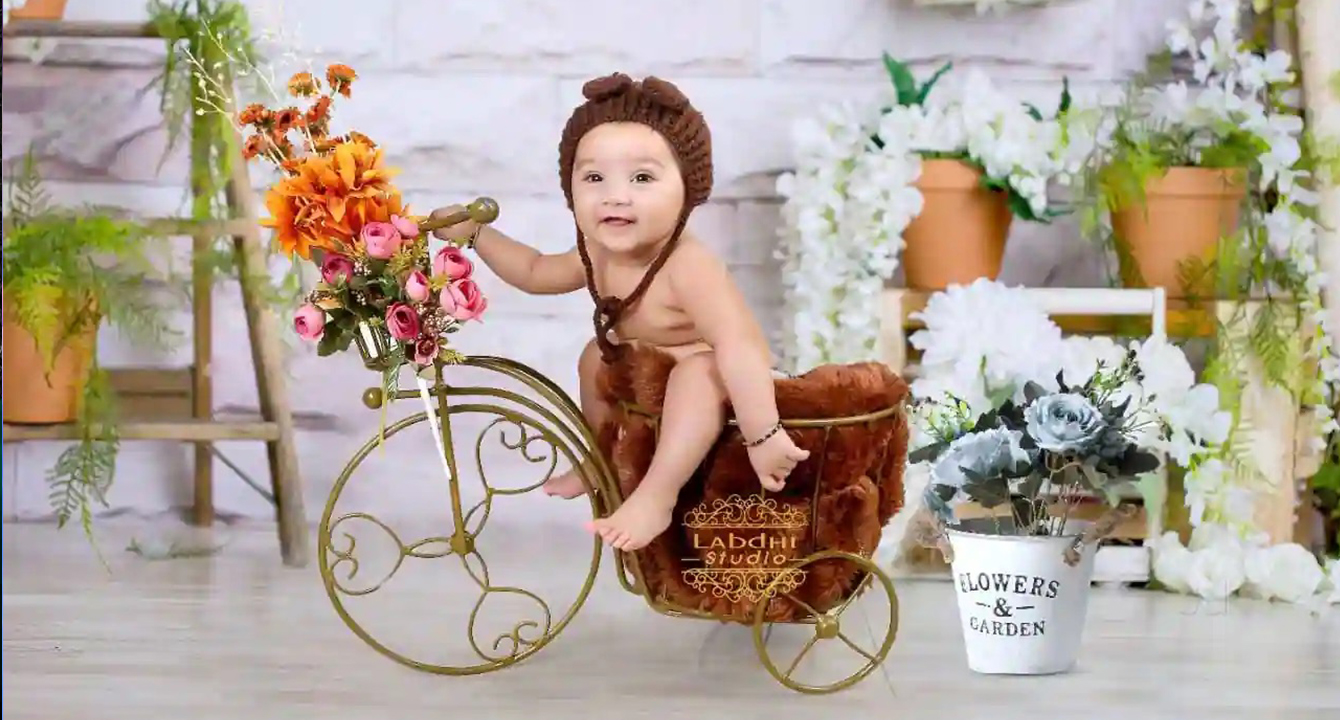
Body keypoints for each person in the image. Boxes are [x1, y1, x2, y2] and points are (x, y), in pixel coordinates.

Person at [429, 73, 808, 552]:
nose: (615, 195)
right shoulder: (598, 251)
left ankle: (658, 494)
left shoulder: (687, 265)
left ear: (688, 190)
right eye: (594, 178)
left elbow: (740, 345)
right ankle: (601, 456)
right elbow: (535, 271)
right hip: (655, 374)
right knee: (597, 355)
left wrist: (763, 433)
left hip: (730, 386)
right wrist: (478, 234)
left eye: (642, 178)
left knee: (698, 372)